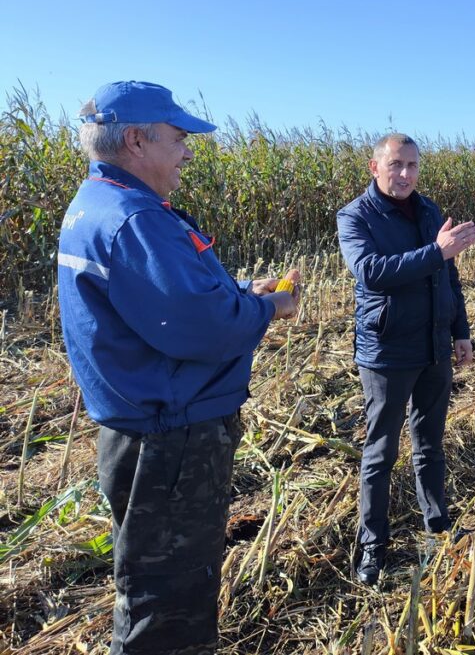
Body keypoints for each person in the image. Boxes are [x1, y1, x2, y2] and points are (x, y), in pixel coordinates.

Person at [57, 81, 299, 654]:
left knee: (152, 591)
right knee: (167, 612)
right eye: (180, 137)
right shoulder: (135, 220)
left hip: (141, 432)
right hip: (170, 441)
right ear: (136, 140)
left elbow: (165, 303)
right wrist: (268, 306)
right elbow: (202, 329)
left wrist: (238, 290)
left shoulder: (96, 204)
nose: (189, 150)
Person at [337, 133, 475, 586]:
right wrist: (438, 250)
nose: (405, 175)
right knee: (381, 453)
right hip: (387, 350)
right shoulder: (355, 216)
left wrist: (460, 332)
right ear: (374, 167)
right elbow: (372, 272)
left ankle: (438, 527)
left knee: (431, 445)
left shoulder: (429, 210)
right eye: (396, 164)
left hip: (433, 344)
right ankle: (373, 545)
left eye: (413, 165)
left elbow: (447, 275)